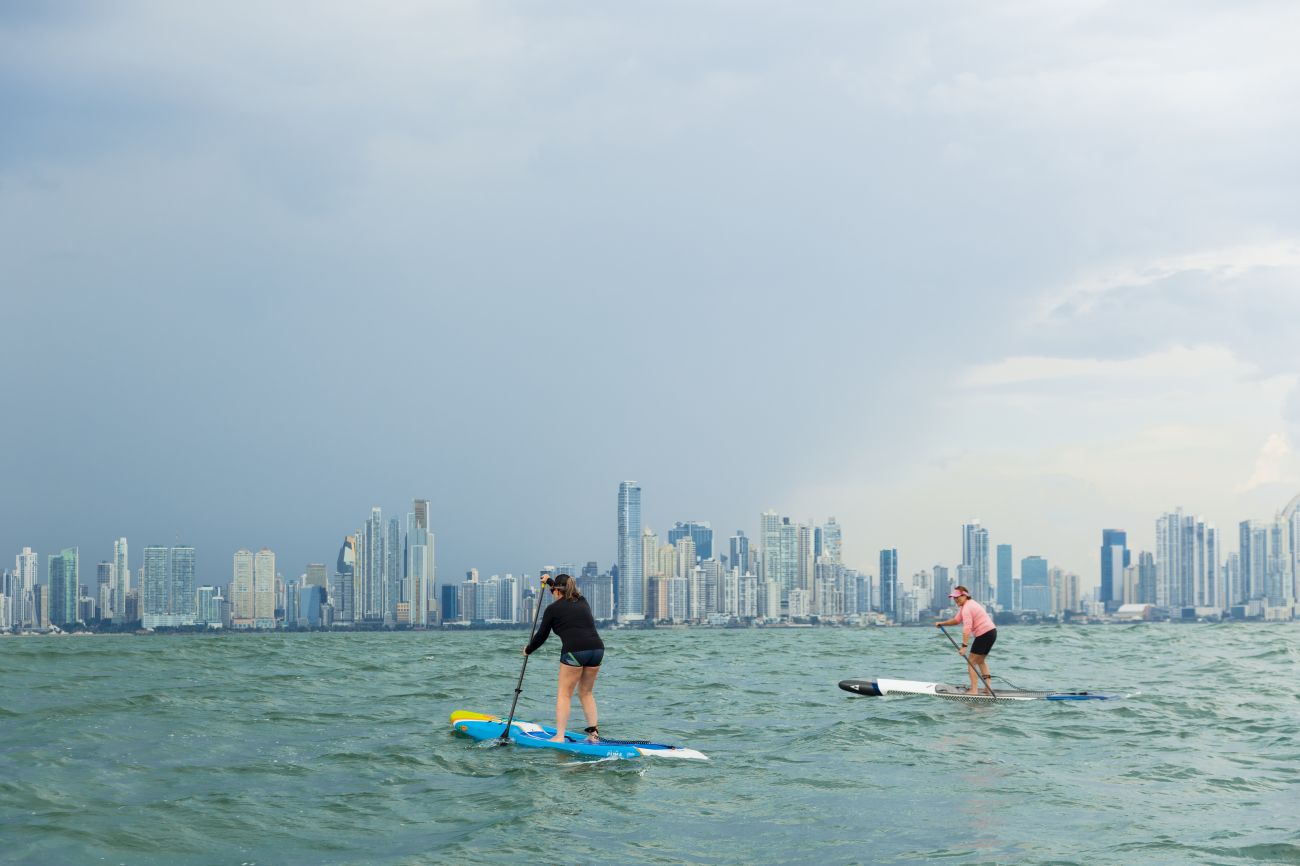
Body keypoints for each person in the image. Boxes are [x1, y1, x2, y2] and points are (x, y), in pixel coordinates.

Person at [523, 574, 605, 742]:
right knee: (586, 692)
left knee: (564, 694)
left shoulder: (552, 609)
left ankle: (559, 736)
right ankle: (594, 735)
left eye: (553, 590)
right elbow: (563, 589)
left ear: (556, 591)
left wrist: (528, 650)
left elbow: (541, 636)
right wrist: (551, 582)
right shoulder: (582, 601)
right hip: (597, 649)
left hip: (574, 652)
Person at [934, 585, 997, 695]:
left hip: (984, 634)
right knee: (980, 661)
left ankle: (974, 690)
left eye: (958, 597)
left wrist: (964, 646)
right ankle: (988, 688)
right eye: (954, 597)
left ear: (965, 595)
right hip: (991, 632)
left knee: (971, 662)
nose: (955, 599)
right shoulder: (967, 605)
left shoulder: (967, 608)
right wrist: (942, 623)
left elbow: (967, 627)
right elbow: (957, 620)